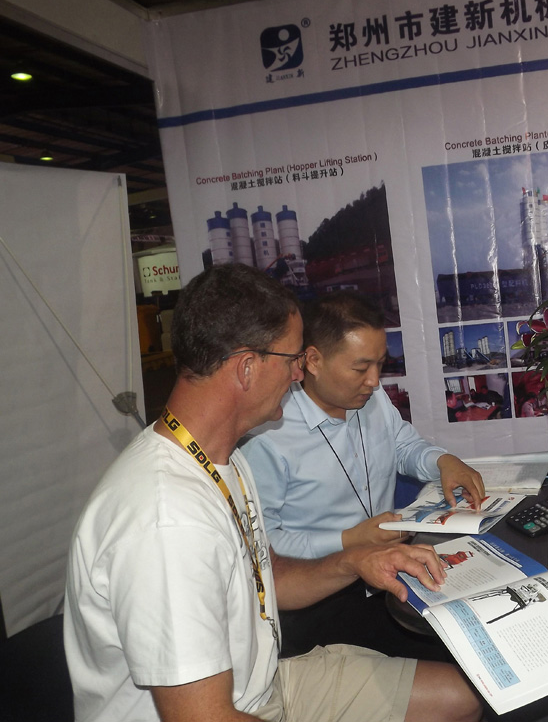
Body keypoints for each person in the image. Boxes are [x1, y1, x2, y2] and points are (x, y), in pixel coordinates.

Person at [64, 264, 482, 722]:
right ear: (247, 367)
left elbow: (271, 578)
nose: (299, 374)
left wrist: (358, 561)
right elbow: (202, 718)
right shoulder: (168, 519)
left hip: (262, 685)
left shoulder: (223, 459)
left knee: (463, 698)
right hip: (226, 709)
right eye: (292, 359)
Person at [241, 291, 485, 657]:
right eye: (360, 368)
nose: (373, 380)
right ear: (313, 360)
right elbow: (266, 546)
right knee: (451, 655)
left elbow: (403, 445)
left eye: (380, 365)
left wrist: (442, 461)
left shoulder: (371, 397)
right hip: (320, 598)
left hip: (388, 570)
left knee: (474, 625)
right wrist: (348, 540)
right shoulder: (269, 435)